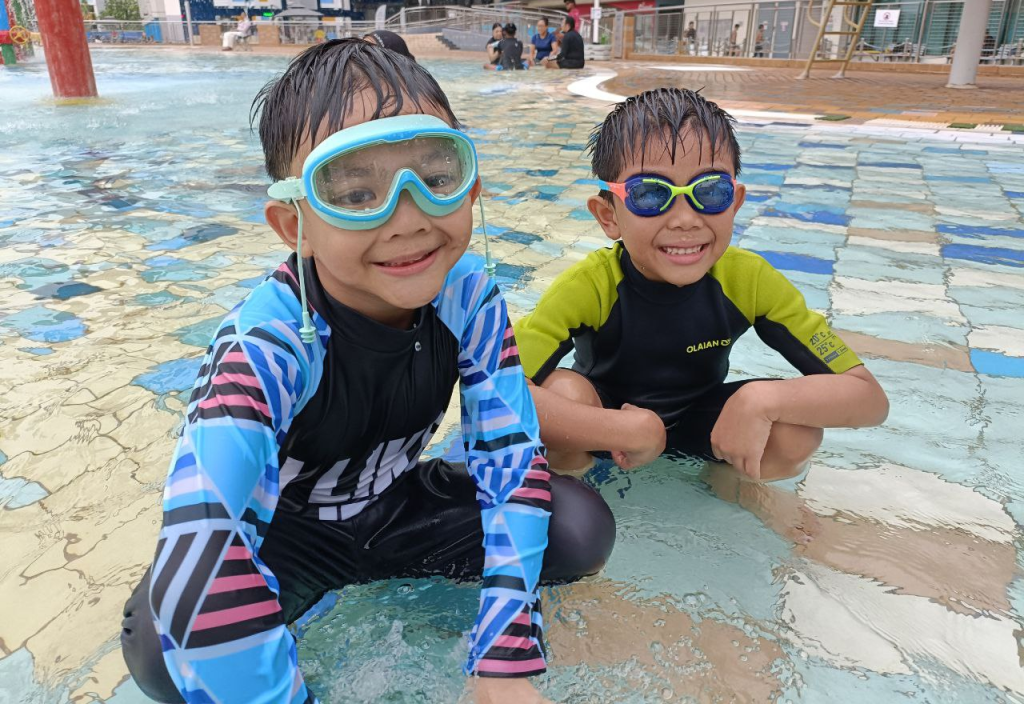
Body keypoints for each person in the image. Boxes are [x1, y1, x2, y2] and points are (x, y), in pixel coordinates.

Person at [119, 39, 616, 704]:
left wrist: (505, 655)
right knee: (163, 640)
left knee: (577, 527)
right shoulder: (264, 343)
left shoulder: (467, 293)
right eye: (354, 192)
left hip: (400, 506)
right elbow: (203, 535)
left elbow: (510, 460)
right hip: (290, 536)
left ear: (471, 182)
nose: (408, 219)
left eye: (436, 177)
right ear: (292, 223)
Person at [515, 88, 889, 479]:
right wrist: (628, 429)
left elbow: (869, 398)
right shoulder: (590, 286)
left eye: (710, 191)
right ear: (609, 216)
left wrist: (760, 399)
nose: (685, 219)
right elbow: (496, 388)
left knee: (796, 430)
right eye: (649, 194)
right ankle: (574, 485)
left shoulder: (749, 280)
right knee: (562, 392)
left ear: (736, 203)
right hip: (606, 426)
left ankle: (727, 485)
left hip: (703, 421)